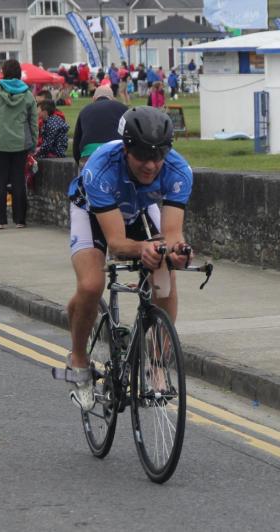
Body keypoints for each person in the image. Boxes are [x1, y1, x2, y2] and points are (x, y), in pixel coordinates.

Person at [65, 107, 193, 409]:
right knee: (91, 286)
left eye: (158, 157)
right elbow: (118, 243)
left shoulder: (179, 171)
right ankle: (79, 362)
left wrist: (176, 250)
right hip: (94, 211)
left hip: (138, 207)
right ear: (125, 150)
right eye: (142, 158)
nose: (151, 166)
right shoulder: (101, 168)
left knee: (165, 272)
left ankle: (157, 362)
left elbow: (172, 233)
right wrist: (142, 249)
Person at [0, 59, 36, 230]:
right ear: (19, 73)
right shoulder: (27, 94)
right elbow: (33, 122)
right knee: (18, 180)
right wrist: (32, 143)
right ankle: (20, 219)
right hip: (21, 142)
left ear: (3, 72)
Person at [71, 85, 127, 167]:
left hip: (89, 155)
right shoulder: (123, 108)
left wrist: (79, 161)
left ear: (93, 98)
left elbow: (76, 142)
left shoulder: (84, 110)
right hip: (116, 152)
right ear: (112, 99)